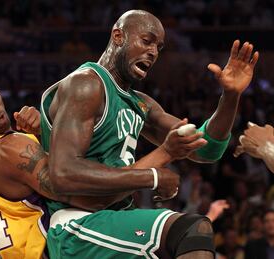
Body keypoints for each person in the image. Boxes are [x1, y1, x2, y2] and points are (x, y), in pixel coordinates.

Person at [40, 9, 258, 259]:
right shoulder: (86, 84)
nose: (153, 52)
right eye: (146, 41)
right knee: (192, 230)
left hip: (116, 219)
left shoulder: (140, 104)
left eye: (159, 47)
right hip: (77, 225)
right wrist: (152, 176)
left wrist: (230, 96)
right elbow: (63, 173)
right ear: (118, 36)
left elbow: (206, 149)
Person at [0, 72, 180, 258]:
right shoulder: (8, 148)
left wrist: (43, 134)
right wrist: (160, 162)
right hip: (65, 246)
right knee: (185, 232)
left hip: (39, 250)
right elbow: (90, 198)